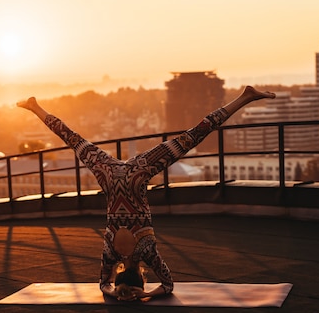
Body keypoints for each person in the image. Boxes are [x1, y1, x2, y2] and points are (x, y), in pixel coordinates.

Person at [18, 85, 275, 301]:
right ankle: (35, 107)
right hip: (112, 173)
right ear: (120, 272)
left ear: (142, 275)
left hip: (135, 174)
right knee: (72, 138)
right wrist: (122, 292)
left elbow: (166, 286)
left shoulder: (146, 250)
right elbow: (104, 286)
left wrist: (143, 294)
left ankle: (244, 97)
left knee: (191, 137)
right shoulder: (110, 253)